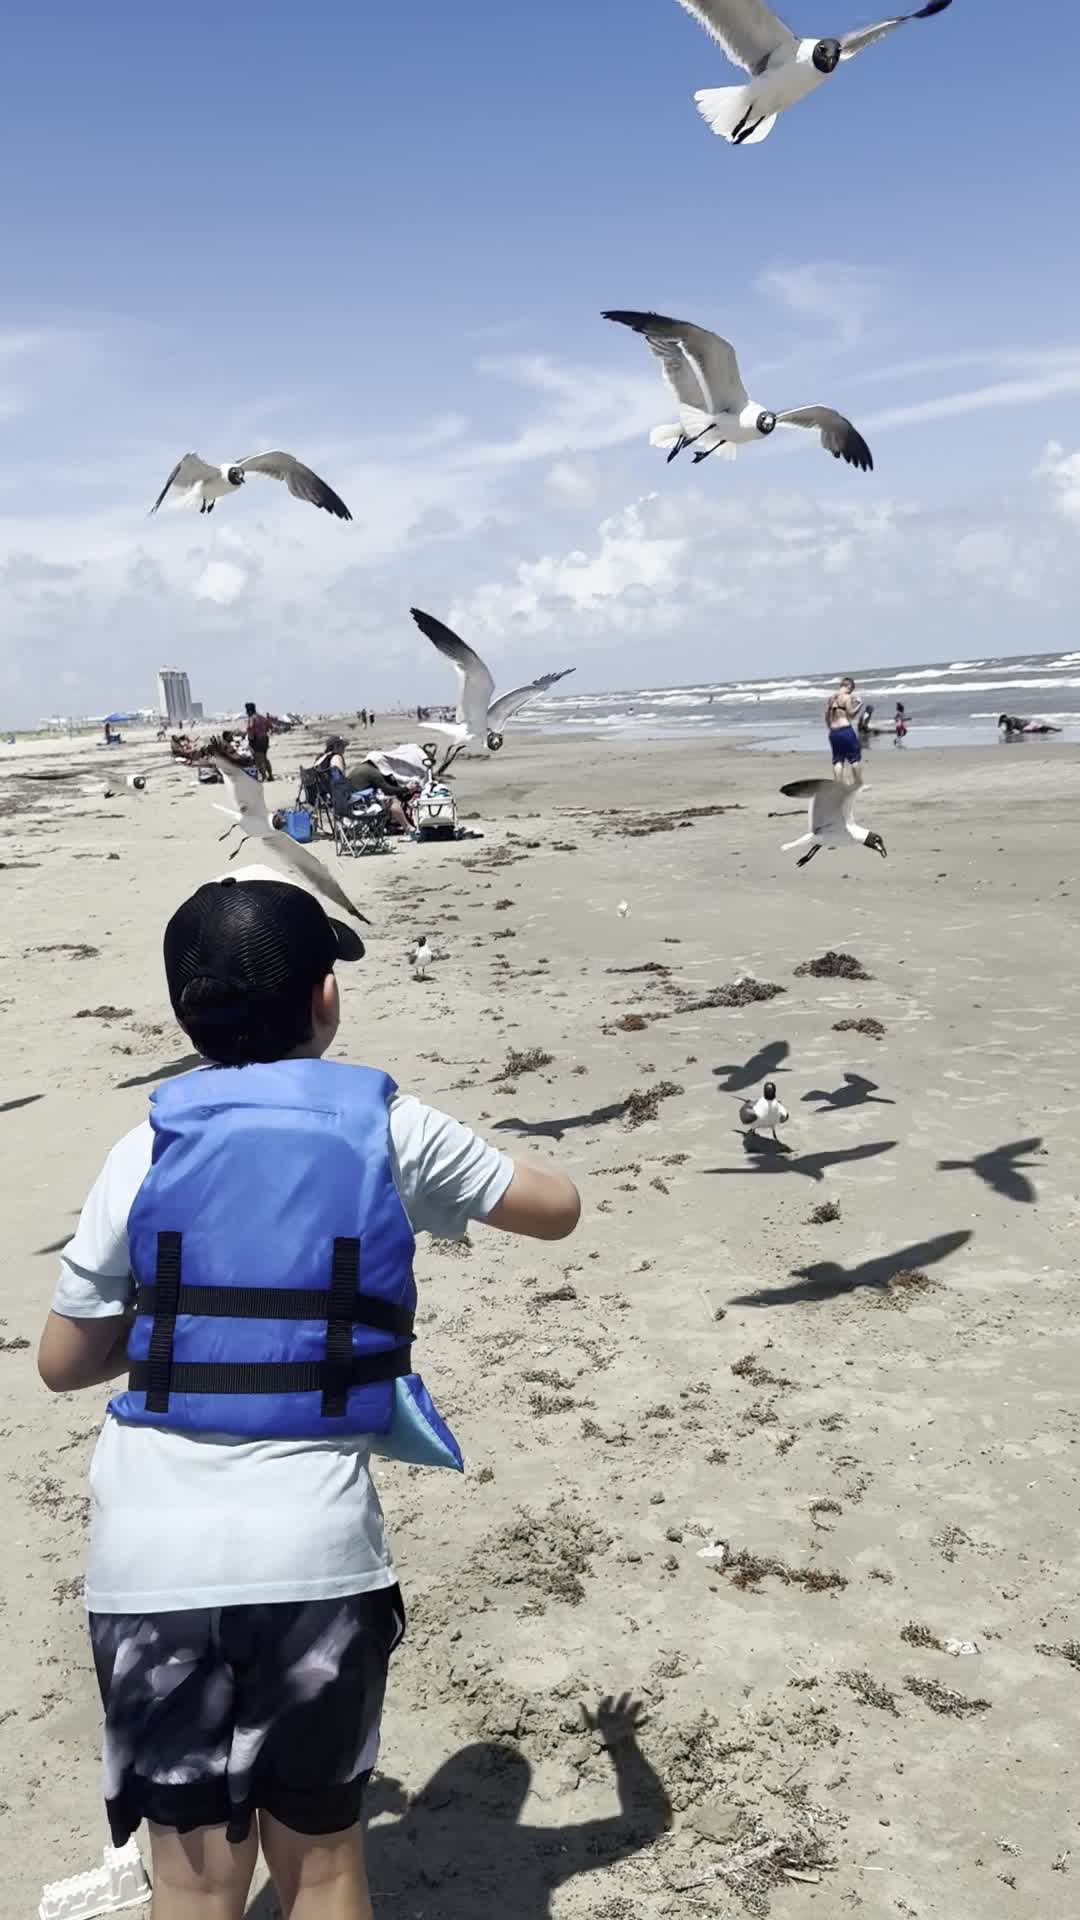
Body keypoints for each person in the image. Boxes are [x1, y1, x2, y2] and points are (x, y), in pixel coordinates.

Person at [37, 868, 580, 1920]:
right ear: (327, 1000)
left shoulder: (141, 1147)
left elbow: (63, 1362)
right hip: (315, 1563)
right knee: (324, 1867)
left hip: (150, 1567)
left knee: (192, 1878)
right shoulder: (389, 1129)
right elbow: (553, 1210)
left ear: (182, 1013)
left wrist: (183, 1329)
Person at [824, 675, 863, 786]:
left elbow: (826, 715)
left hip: (834, 732)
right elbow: (851, 715)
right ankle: (858, 784)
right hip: (845, 730)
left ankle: (839, 786)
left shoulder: (831, 698)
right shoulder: (847, 697)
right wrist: (859, 704)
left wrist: (829, 726)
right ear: (849, 686)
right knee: (854, 758)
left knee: (838, 760)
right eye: (852, 689)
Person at [245, 701, 274, 782]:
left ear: (250, 710)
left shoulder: (252, 718)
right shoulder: (262, 717)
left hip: (257, 740)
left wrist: (250, 741)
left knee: (258, 760)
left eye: (247, 711)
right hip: (265, 739)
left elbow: (250, 730)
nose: (246, 713)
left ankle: (264, 777)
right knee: (264, 758)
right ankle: (270, 776)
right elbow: (270, 727)